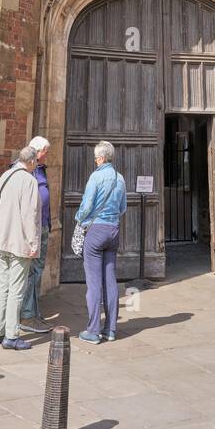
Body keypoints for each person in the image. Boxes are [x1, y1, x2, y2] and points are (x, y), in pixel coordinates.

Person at [75, 140, 127, 343]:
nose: (95, 161)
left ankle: (93, 330)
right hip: (113, 230)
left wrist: (79, 217)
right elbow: (123, 207)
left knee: (94, 282)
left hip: (96, 231)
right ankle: (111, 329)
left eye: (96, 157)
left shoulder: (95, 177)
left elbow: (87, 206)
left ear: (102, 158)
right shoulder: (120, 178)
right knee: (110, 280)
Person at [0, 146, 41, 350]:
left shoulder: (6, 176)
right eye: (36, 161)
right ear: (31, 161)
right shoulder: (29, 181)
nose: (36, 164)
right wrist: (34, 243)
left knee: (3, 286)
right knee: (17, 290)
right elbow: (30, 216)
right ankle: (11, 335)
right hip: (19, 243)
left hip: (2, 240)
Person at [20, 135, 55, 331]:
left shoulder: (39, 169)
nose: (47, 154)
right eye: (45, 151)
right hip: (31, 229)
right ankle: (26, 315)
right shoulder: (26, 170)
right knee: (30, 271)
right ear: (36, 152)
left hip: (42, 226)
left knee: (37, 271)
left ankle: (33, 310)